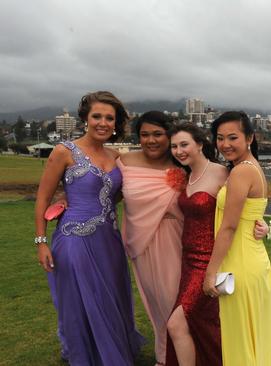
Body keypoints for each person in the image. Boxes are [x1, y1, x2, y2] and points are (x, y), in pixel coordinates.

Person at [34, 91, 144, 365]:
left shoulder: (117, 156)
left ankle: (110, 350)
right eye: (97, 116)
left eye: (110, 118)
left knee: (110, 298)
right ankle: (87, 355)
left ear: (116, 123)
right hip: (74, 240)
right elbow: (42, 198)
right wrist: (41, 241)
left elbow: (116, 194)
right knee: (81, 301)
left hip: (109, 240)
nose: (103, 122)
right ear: (86, 118)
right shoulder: (64, 151)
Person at [166, 123, 268, 366]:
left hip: (209, 259)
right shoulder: (185, 176)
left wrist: (263, 225)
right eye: (174, 146)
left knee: (176, 323)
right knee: (202, 324)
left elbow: (245, 208)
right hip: (188, 259)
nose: (179, 151)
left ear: (200, 144)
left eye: (184, 144)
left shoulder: (224, 173)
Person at [203, 111, 271, 366]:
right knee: (253, 333)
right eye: (220, 138)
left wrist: (210, 273)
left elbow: (229, 227)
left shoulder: (241, 172)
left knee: (241, 337)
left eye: (232, 137)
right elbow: (252, 215)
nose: (225, 144)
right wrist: (265, 228)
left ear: (249, 138)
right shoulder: (251, 167)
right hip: (251, 257)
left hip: (241, 262)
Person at [117, 111, 185, 365]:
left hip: (178, 242)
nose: (151, 140)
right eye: (144, 135)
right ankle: (165, 356)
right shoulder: (123, 162)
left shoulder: (184, 162)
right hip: (143, 245)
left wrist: (254, 223)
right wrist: (71, 198)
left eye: (158, 134)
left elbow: (216, 196)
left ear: (169, 136)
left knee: (176, 304)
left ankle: (181, 356)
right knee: (157, 305)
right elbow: (100, 191)